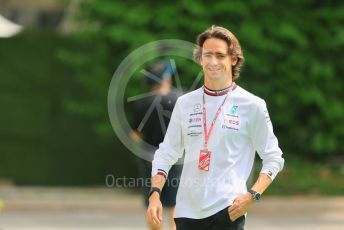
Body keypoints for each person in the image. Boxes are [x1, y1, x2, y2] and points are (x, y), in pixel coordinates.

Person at [146, 25, 285, 230]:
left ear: (234, 59)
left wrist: (252, 195)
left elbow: (274, 157)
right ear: (200, 59)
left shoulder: (252, 105)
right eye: (207, 55)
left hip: (228, 211)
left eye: (220, 55)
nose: (213, 61)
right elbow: (166, 153)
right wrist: (154, 195)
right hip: (186, 213)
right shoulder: (185, 103)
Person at [130, 59, 183, 230]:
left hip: (150, 160)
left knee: (153, 203)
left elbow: (135, 135)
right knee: (176, 204)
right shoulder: (181, 100)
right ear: (166, 78)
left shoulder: (141, 103)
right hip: (177, 158)